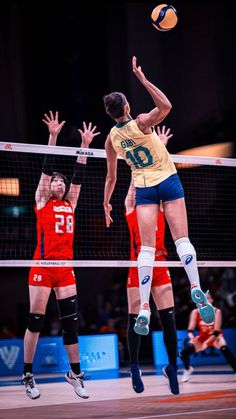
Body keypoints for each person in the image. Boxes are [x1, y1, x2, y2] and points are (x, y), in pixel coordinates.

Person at [103, 55, 214, 339]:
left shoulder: (112, 139)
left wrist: (106, 202)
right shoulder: (141, 122)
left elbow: (112, 177)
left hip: (144, 189)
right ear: (127, 107)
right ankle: (194, 287)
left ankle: (143, 307)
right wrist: (142, 79)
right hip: (168, 181)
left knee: (146, 250)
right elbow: (166, 106)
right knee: (182, 240)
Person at [22, 111, 100, 400]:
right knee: (35, 321)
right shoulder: (42, 201)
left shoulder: (71, 203)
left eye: (61, 182)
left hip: (66, 269)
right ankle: (28, 374)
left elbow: (79, 175)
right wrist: (53, 136)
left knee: (71, 323)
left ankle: (75, 374)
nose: (59, 183)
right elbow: (46, 167)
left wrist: (85, 145)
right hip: (42, 267)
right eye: (55, 181)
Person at [125, 126, 179, 395]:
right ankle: (134, 366)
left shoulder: (158, 205)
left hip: (161, 265)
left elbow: (160, 174)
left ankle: (172, 366)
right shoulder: (133, 207)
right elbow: (137, 183)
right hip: (138, 267)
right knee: (135, 317)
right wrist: (136, 160)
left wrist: (161, 146)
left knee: (168, 318)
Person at [180, 292, 236, 382]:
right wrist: (192, 337)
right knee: (184, 353)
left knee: (225, 349)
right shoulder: (195, 312)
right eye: (204, 298)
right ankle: (187, 369)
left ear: (212, 300)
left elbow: (217, 331)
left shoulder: (217, 311)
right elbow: (190, 329)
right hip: (202, 337)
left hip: (215, 336)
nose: (206, 300)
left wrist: (206, 343)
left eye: (208, 298)